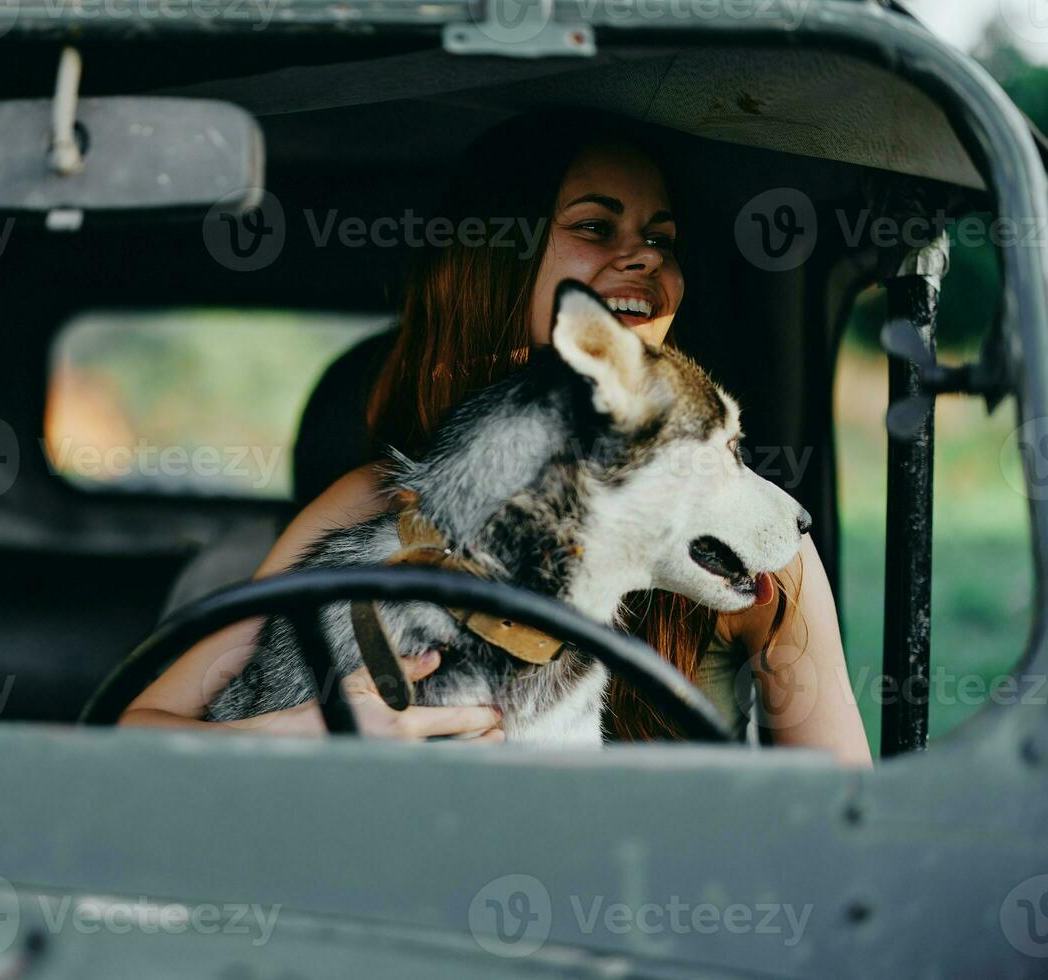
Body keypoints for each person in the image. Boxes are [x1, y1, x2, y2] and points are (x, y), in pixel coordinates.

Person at [120, 110, 873, 766]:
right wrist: (318, 735)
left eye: (662, 239)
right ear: (496, 259)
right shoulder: (372, 506)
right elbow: (137, 733)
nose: (646, 256)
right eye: (593, 226)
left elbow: (848, 824)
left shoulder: (752, 551)